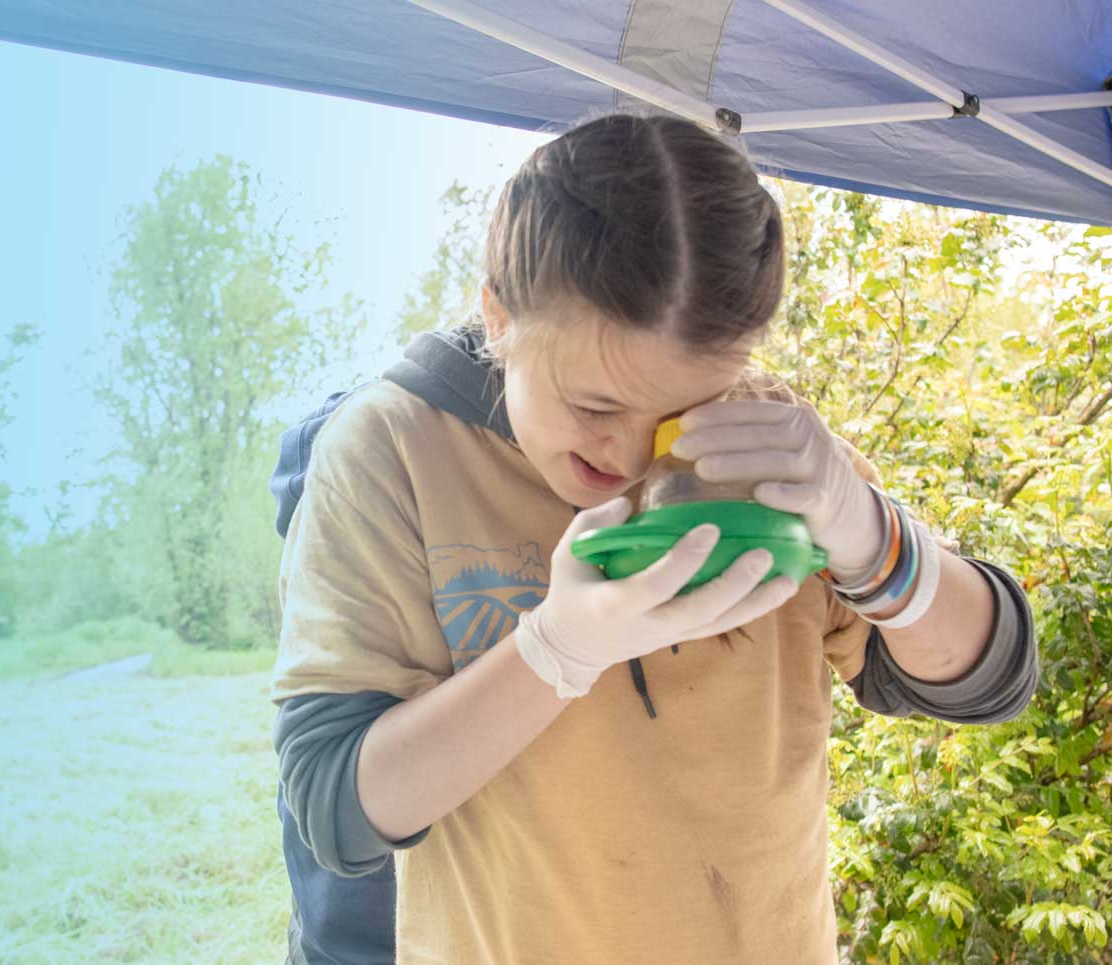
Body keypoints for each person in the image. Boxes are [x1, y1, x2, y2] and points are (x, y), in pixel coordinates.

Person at [268, 111, 1038, 964]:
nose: (634, 453)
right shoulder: (391, 451)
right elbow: (338, 807)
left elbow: (990, 680)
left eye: (680, 412)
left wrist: (873, 540)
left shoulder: (760, 425)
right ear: (498, 317)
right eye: (594, 407)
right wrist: (553, 651)